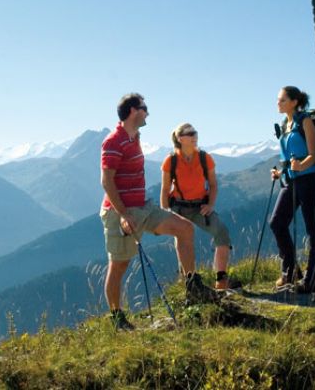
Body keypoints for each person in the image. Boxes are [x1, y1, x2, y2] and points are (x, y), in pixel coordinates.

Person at [100, 93, 216, 330]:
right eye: (144, 108)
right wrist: (123, 214)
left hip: (144, 206)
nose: (148, 112)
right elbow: (106, 181)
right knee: (119, 265)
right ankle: (117, 318)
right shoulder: (113, 141)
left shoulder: (135, 137)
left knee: (184, 229)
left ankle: (192, 287)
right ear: (134, 110)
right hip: (120, 212)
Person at [160, 123, 234, 290]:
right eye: (190, 133)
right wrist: (165, 214)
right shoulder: (170, 161)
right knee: (183, 239)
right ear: (180, 139)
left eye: (195, 133)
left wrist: (210, 204)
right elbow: (165, 189)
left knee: (221, 231)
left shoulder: (204, 158)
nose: (195, 136)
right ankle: (190, 281)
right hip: (178, 207)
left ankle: (221, 280)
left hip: (200, 206)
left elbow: (214, 185)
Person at [269, 86, 315, 293]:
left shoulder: (305, 121)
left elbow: (314, 154)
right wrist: (280, 173)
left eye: (282, 99)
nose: (278, 103)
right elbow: (289, 156)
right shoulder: (286, 125)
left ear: (294, 102)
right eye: (278, 100)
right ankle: (291, 271)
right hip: (291, 181)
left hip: (310, 180)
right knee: (277, 223)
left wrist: (302, 166)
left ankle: (312, 280)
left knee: (314, 230)